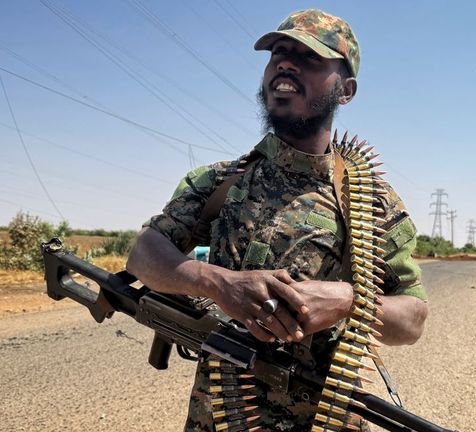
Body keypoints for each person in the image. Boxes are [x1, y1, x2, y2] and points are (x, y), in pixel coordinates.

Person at [126, 9, 428, 431]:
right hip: (223, 418)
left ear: (346, 90)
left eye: (309, 58)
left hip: (326, 418)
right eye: (279, 54)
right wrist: (216, 282)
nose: (286, 63)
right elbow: (142, 254)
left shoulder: (372, 201)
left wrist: (348, 301)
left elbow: (412, 318)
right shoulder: (217, 182)